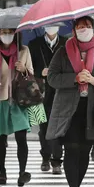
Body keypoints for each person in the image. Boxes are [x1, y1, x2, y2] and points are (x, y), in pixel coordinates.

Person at [46, 16, 94, 187]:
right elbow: (52, 78)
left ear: (93, 29)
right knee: (71, 148)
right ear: (73, 30)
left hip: (91, 110)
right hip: (68, 110)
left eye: (87, 26)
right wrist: (75, 79)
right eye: (80, 26)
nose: (83, 29)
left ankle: (78, 185)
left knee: (85, 150)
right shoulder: (63, 52)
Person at [0, 28, 33, 187]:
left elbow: (31, 73)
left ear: (16, 33)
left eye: (10, 32)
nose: (7, 35)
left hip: (18, 99)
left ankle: (22, 172)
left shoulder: (23, 50)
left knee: (21, 137)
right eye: (3, 32)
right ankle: (2, 172)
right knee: (0, 138)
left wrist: (23, 69)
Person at [28, 26, 66, 174]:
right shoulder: (34, 44)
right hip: (39, 91)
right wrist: (39, 72)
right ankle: (45, 157)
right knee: (42, 127)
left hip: (60, 91)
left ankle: (57, 160)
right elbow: (28, 69)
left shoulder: (65, 43)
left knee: (58, 126)